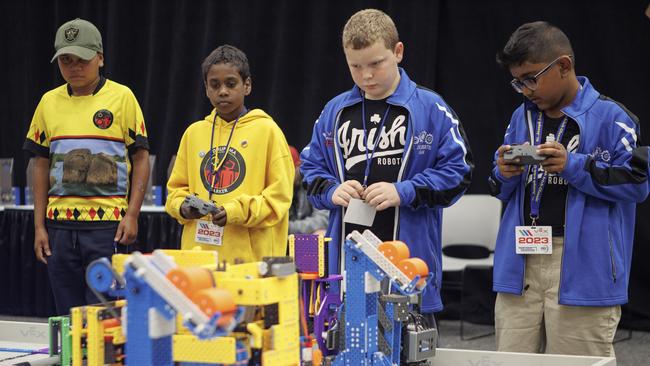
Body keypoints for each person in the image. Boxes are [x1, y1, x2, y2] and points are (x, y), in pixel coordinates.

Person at [489, 21, 649, 356]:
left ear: (563, 65)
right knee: (510, 361)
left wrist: (574, 166)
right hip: (522, 260)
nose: (525, 89)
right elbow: (499, 188)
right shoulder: (521, 117)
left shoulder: (612, 117)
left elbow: (638, 183)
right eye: (518, 83)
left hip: (583, 267)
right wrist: (504, 174)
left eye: (531, 78)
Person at [300, 9, 473, 317]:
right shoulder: (334, 111)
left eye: (376, 64)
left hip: (409, 268)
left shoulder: (431, 108)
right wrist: (330, 190)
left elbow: (459, 173)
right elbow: (310, 169)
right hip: (347, 271)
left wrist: (405, 191)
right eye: (356, 66)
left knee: (409, 357)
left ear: (398, 52)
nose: (367, 75)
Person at [24, 18, 150, 315]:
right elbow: (40, 164)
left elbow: (141, 158)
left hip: (108, 228)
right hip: (59, 229)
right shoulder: (47, 102)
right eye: (66, 60)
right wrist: (39, 225)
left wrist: (132, 214)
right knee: (67, 315)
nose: (75, 67)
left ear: (101, 58)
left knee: (106, 316)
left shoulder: (122, 97)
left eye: (83, 59)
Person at [166, 45, 294, 264]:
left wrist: (235, 211)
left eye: (231, 84)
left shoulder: (267, 131)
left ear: (247, 85)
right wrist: (183, 208)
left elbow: (279, 199)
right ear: (206, 89)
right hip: (199, 259)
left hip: (252, 263)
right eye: (214, 85)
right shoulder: (194, 133)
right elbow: (175, 191)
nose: (222, 91)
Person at [288, 146, 328, 235]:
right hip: (279, 244)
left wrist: (285, 227)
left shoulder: (312, 181)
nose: (283, 178)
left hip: (304, 243)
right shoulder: (273, 187)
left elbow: (323, 219)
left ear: (298, 166)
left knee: (320, 234)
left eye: (287, 171)